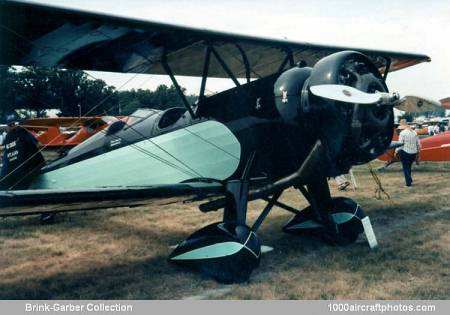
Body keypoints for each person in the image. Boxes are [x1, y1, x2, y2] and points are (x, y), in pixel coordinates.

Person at [395, 119, 421, 187]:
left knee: (405, 168)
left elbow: (400, 144)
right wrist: (418, 153)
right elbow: (419, 144)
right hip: (414, 153)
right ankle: (410, 179)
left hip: (405, 152)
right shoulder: (414, 132)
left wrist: (396, 151)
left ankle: (408, 183)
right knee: (409, 167)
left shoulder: (402, 133)